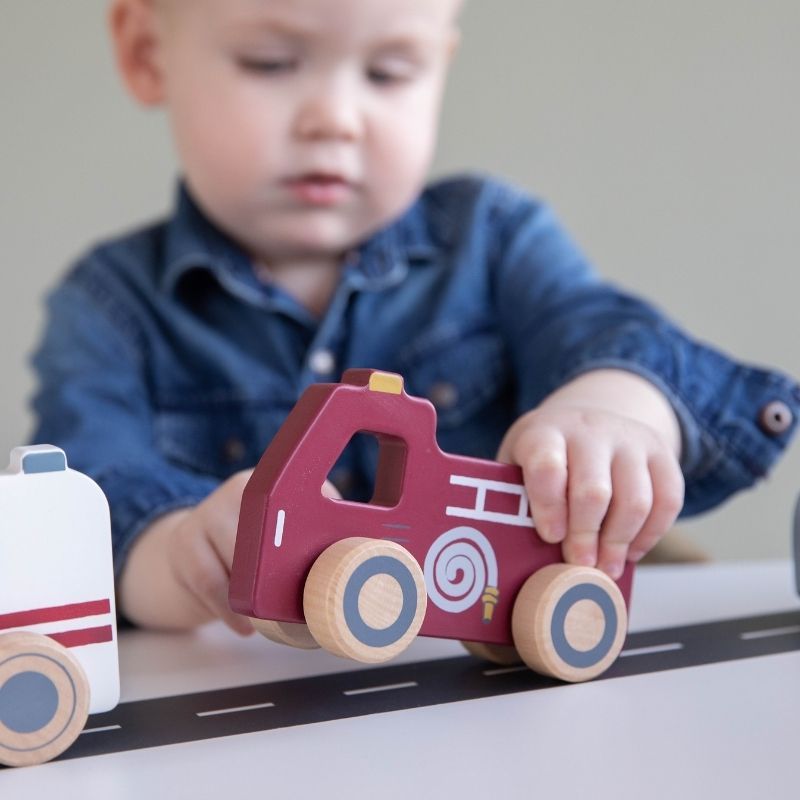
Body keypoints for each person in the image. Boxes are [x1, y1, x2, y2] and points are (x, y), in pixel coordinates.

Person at [30, 0, 799, 635]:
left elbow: (601, 327)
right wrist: (181, 555)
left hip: (515, 624)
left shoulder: (494, 238)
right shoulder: (107, 309)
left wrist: (613, 409)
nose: (335, 119)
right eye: (270, 63)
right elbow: (89, 500)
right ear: (146, 53)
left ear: (440, 68)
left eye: (389, 72)